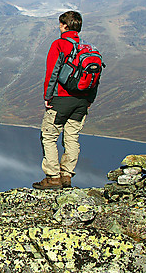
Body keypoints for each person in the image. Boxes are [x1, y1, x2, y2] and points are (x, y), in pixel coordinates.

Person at [33, 10, 98, 189]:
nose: (59, 27)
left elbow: (52, 72)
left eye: (60, 24)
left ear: (65, 26)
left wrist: (48, 96)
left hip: (62, 98)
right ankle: (67, 176)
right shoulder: (89, 48)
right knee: (72, 137)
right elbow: (95, 77)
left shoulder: (60, 45)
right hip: (82, 101)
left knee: (49, 135)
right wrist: (90, 100)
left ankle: (53, 177)